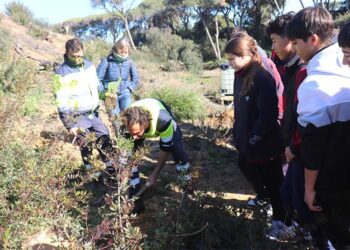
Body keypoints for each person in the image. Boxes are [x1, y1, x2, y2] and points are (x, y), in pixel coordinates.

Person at [286, 7, 350, 249]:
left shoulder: (314, 85)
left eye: (295, 42)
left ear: (313, 39)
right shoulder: (344, 64)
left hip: (331, 179)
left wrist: (309, 188)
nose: (294, 49)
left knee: (334, 235)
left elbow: (313, 142)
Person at [224, 32, 294, 240]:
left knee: (274, 183)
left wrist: (256, 136)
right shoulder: (240, 76)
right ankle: (267, 202)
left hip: (265, 143)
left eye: (231, 58)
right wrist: (238, 134)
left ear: (246, 55)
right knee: (245, 165)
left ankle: (283, 223)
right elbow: (240, 110)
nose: (229, 63)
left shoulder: (262, 76)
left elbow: (269, 114)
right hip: (247, 140)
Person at [53, 37, 114, 178]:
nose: (77, 59)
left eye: (79, 56)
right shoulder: (60, 73)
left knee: (105, 140)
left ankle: (113, 173)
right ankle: (94, 177)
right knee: (86, 146)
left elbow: (97, 87)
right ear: (66, 53)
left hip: (94, 114)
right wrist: (69, 125)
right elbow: (60, 102)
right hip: (77, 116)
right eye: (73, 56)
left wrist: (106, 94)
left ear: (83, 52)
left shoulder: (89, 66)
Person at [121, 98, 191, 189]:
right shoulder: (125, 124)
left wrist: (155, 174)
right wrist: (124, 171)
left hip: (159, 109)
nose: (134, 137)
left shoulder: (164, 120)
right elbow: (125, 153)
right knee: (130, 155)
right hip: (138, 114)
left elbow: (165, 150)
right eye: (132, 133)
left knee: (177, 149)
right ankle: (134, 189)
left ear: (145, 125)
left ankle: (186, 182)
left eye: (137, 133)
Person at [97, 38, 140, 115]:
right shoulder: (106, 61)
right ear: (116, 50)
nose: (123, 54)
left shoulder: (129, 62)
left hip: (125, 93)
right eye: (121, 51)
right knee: (114, 118)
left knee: (127, 116)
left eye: (125, 52)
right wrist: (104, 92)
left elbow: (135, 78)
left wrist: (130, 88)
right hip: (110, 94)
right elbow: (97, 79)